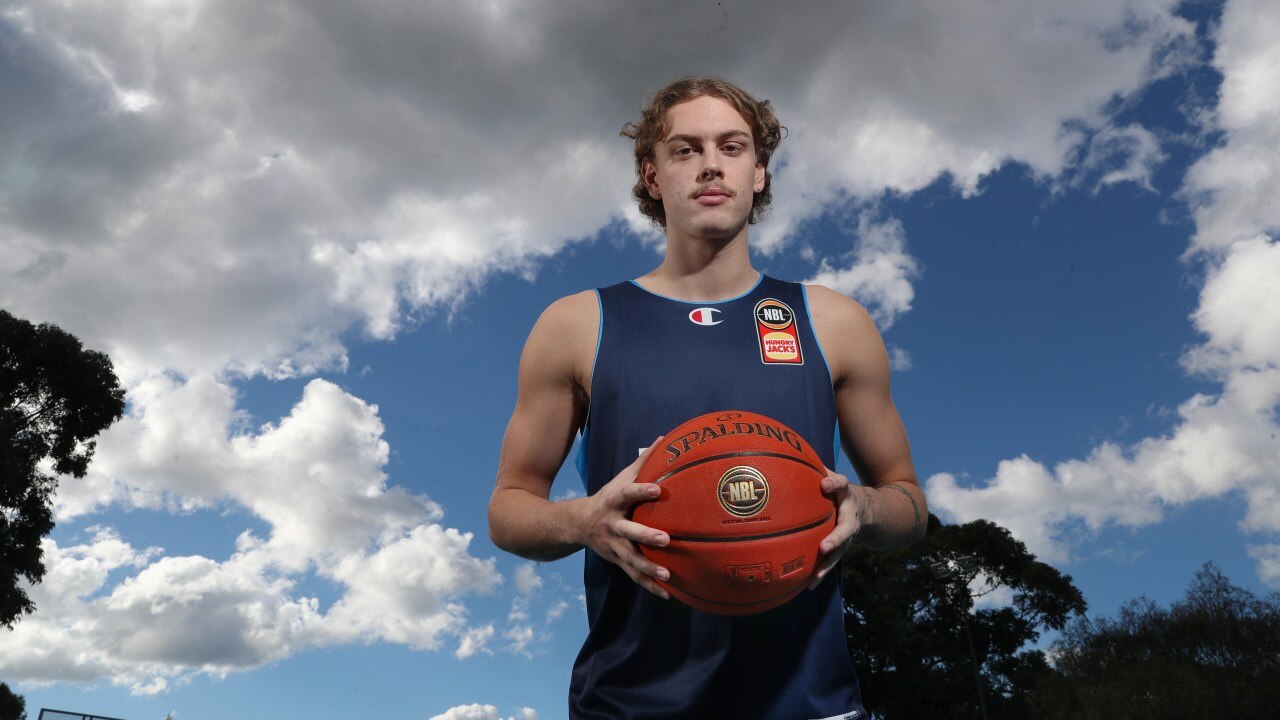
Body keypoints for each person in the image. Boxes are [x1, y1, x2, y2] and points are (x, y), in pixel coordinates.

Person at [488, 76, 926, 720]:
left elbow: (910, 505)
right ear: (651, 175)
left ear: (759, 174)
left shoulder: (833, 322)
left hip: (808, 702)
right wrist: (583, 521)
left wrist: (861, 505)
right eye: (685, 150)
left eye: (733, 146)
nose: (712, 164)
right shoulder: (577, 324)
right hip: (630, 701)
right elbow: (508, 508)